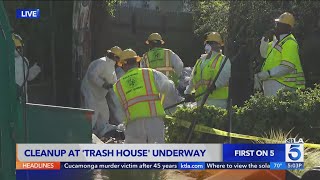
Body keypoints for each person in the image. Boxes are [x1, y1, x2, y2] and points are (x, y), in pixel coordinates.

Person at [113, 49, 180, 143]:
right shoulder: (149, 73)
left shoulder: (118, 85)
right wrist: (166, 106)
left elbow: (118, 110)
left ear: (123, 65)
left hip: (133, 124)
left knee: (137, 154)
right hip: (154, 120)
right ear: (137, 62)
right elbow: (167, 86)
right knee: (157, 152)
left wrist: (124, 124)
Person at [255, 12, 305, 96]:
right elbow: (263, 54)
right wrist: (265, 39)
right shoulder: (276, 42)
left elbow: (287, 67)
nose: (276, 26)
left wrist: (268, 73)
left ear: (288, 27)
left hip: (283, 85)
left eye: (279, 24)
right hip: (274, 83)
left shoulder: (290, 43)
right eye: (276, 24)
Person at [81, 46, 122, 138]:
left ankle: (102, 133)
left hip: (100, 95)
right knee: (92, 115)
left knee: (104, 114)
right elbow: (92, 75)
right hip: (90, 92)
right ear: (115, 56)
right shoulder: (102, 62)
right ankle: (85, 135)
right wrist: (103, 84)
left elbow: (113, 80)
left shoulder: (110, 65)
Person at [184, 32, 231, 109]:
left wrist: (215, 85)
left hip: (217, 101)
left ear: (219, 45)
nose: (213, 46)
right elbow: (193, 78)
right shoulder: (200, 61)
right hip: (201, 100)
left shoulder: (223, 60)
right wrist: (188, 92)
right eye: (210, 43)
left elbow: (225, 75)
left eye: (215, 43)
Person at [12, 33, 41, 102]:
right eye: (17, 48)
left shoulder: (24, 60)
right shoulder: (6, 60)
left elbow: (27, 77)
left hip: (22, 98)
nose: (18, 50)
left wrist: (34, 70)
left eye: (19, 48)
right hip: (11, 97)